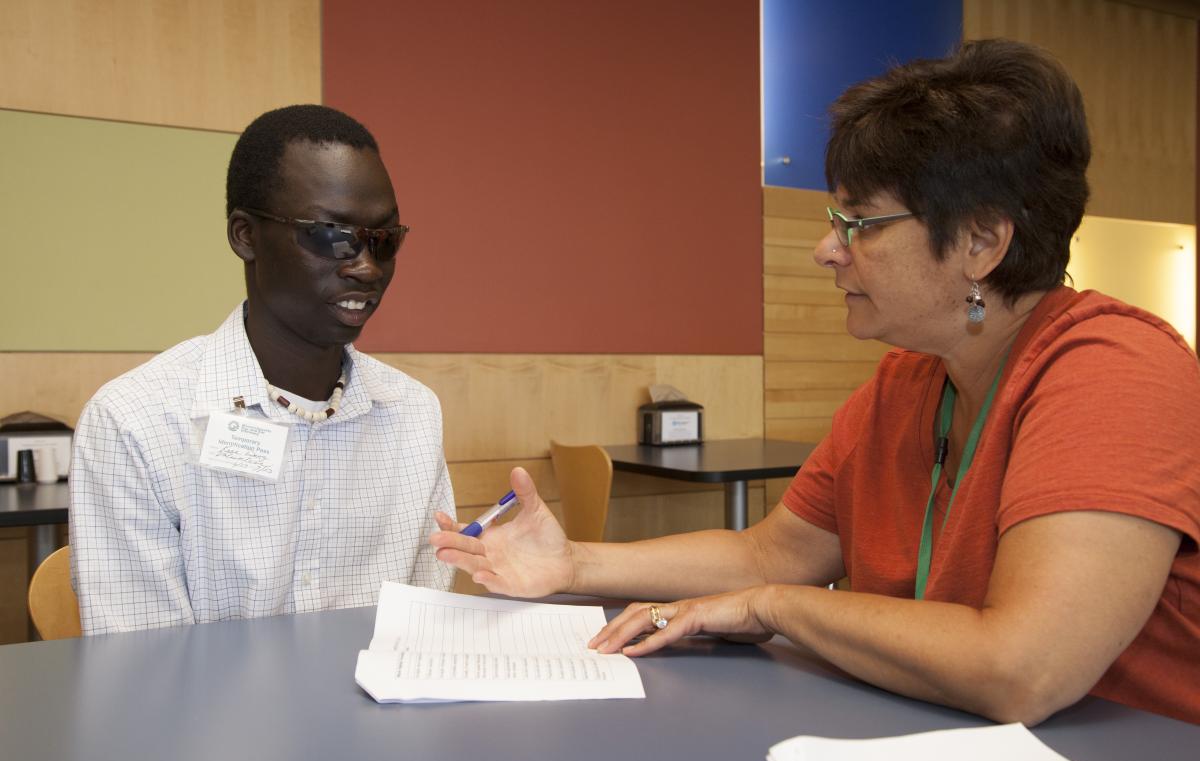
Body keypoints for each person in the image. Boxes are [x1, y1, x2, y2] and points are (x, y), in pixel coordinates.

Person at [432, 40, 1200, 725]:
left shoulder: (1116, 371)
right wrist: (575, 564)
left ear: (980, 241)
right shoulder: (906, 383)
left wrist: (775, 610)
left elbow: (1022, 668)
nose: (826, 252)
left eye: (859, 224)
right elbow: (772, 553)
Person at [71, 105, 454, 634]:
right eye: (330, 235)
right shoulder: (135, 422)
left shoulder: (412, 414)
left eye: (383, 240)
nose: (366, 266)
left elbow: (422, 630)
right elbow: (143, 673)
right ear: (245, 236)